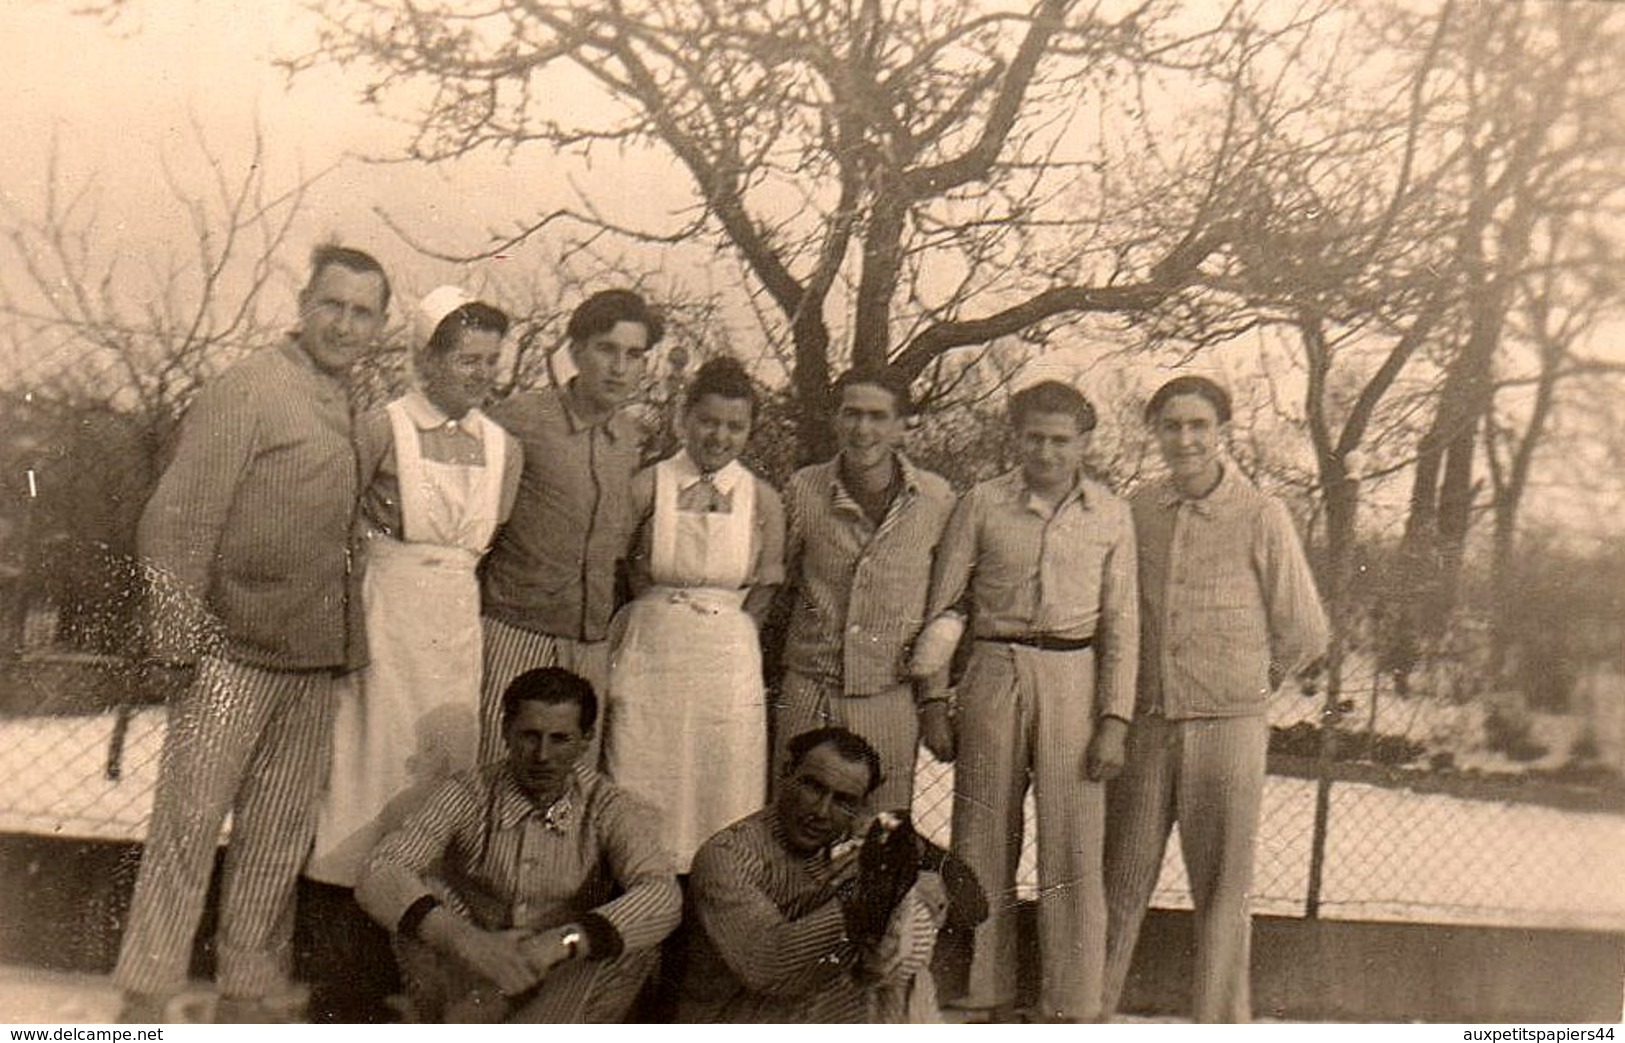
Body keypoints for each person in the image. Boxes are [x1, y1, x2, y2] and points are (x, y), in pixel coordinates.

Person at [114, 245, 390, 1023]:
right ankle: (142, 1002)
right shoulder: (249, 387)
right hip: (227, 653)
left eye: (362, 311)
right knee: (187, 829)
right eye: (331, 304)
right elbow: (177, 515)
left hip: (309, 658)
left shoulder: (349, 403)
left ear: (379, 325)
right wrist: (178, 636)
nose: (344, 323)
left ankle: (248, 999)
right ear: (303, 304)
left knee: (275, 841)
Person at [301, 287, 522, 1021]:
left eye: (492, 360)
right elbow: (334, 525)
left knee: (435, 791)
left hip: (453, 625)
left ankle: (416, 974)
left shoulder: (503, 448)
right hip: (383, 615)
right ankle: (345, 979)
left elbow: (484, 550)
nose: (480, 372)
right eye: (466, 357)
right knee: (361, 787)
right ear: (425, 358)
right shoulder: (381, 427)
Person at [909, 380, 1138, 1023]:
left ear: (1085, 442)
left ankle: (1070, 1002)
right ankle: (981, 990)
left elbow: (1122, 625)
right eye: (1034, 436)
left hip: (1075, 675)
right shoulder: (982, 504)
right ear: (1016, 436)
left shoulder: (1111, 515)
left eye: (1061, 439)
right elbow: (945, 602)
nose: (1046, 450)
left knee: (1072, 844)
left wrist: (1114, 719)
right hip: (994, 667)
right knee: (982, 835)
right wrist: (933, 697)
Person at [1102, 375, 1328, 1023]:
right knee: (1119, 880)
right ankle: (1086, 1013)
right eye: (1171, 425)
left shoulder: (1261, 514)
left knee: (1223, 891)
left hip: (1227, 731)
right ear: (1155, 431)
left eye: (1198, 425)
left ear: (1221, 430)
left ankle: (1221, 1022)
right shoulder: (1136, 509)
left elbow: (1306, 629)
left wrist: (1248, 683)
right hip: (1147, 727)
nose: (1185, 439)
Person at [355, 667, 681, 1023]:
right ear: (506, 732)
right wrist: (466, 941)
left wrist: (562, 943)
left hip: (562, 971)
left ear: (586, 739)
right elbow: (379, 869)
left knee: (635, 934)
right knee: (419, 896)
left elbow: (662, 893)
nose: (542, 755)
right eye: (530, 736)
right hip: (470, 966)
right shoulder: (469, 791)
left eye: (560, 739)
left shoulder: (607, 804)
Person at [603, 356, 783, 871]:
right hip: (651, 650)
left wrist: (732, 632)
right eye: (708, 421)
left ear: (749, 430)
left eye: (735, 426)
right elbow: (620, 562)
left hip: (726, 660)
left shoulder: (762, 500)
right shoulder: (647, 486)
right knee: (641, 774)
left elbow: (767, 586)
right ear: (685, 418)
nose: (719, 436)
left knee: (720, 788)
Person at [477, 289, 663, 761]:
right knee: (500, 770)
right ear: (576, 350)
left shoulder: (628, 439)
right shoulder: (520, 419)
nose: (619, 367)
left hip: (589, 646)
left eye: (634, 355)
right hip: (515, 633)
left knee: (572, 782)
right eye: (606, 349)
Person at [679, 727, 957, 1023]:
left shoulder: (855, 838)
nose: (821, 811)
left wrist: (917, 881)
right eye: (812, 787)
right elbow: (767, 965)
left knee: (905, 926)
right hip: (734, 1017)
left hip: (815, 1009)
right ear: (786, 773)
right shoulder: (728, 855)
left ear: (860, 805)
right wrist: (865, 900)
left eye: (843, 800)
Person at [776, 368, 956, 814]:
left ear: (900, 426)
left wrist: (933, 697)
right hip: (810, 688)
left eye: (878, 416)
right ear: (836, 419)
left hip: (887, 695)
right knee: (793, 822)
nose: (863, 429)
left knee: (879, 831)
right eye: (852, 414)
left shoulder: (936, 500)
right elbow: (778, 582)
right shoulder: (804, 489)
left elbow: (944, 606)